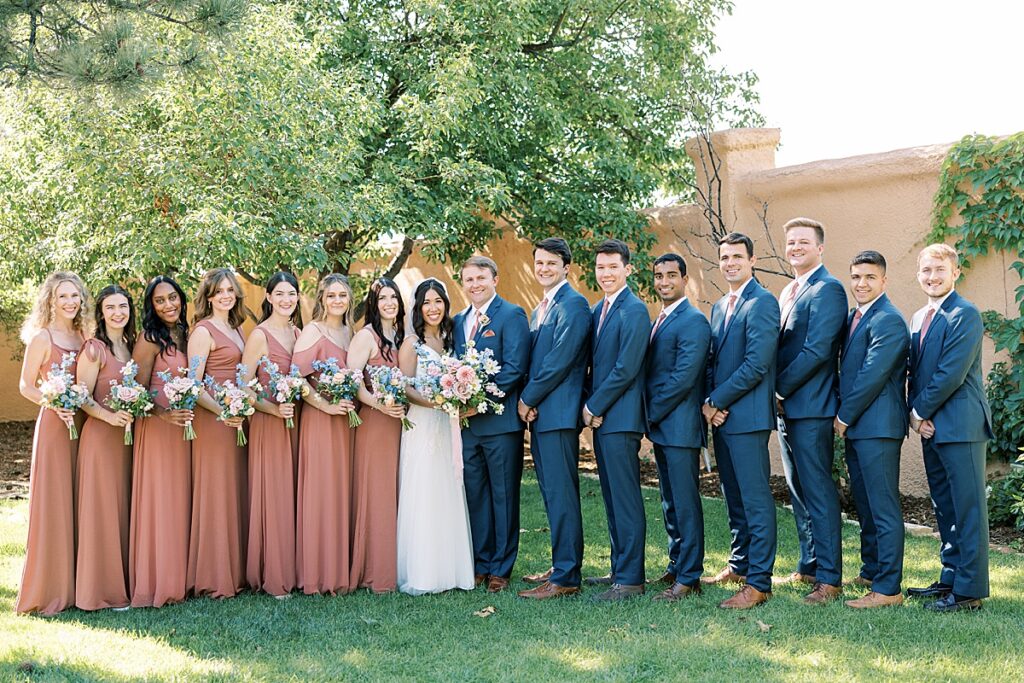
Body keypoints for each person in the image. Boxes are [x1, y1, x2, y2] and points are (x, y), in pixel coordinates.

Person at [906, 244, 993, 612]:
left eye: (939, 270)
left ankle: (970, 590)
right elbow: (918, 371)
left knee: (967, 507)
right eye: (926, 270)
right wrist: (921, 418)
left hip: (961, 425)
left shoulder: (965, 314)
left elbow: (950, 375)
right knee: (944, 506)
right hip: (933, 428)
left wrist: (916, 412)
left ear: (955, 272)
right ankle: (951, 578)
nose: (932, 276)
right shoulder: (918, 317)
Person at [702, 232, 780, 610]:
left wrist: (717, 400)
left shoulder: (762, 302)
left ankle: (760, 582)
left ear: (752, 260)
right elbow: (715, 361)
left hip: (747, 417)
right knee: (733, 497)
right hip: (722, 418)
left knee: (755, 499)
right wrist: (710, 404)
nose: (730, 262)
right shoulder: (720, 306)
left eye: (737, 256)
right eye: (724, 257)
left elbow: (757, 363)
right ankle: (740, 564)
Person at [773, 217, 847, 603]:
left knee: (818, 490)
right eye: (790, 242)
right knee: (797, 491)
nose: (795, 247)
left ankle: (830, 578)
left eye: (803, 241)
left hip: (812, 408)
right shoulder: (789, 290)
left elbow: (817, 351)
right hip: (788, 411)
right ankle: (809, 565)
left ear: (820, 248)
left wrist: (779, 388)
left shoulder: (829, 289)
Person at [834, 250, 910, 609]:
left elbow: (872, 375)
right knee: (865, 502)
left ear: (884, 281)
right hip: (861, 428)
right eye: (855, 277)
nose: (861, 284)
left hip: (877, 427)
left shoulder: (889, 319)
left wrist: (843, 416)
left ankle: (888, 588)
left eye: (869, 277)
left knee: (882, 506)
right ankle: (871, 569)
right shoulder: (856, 316)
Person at [517, 238, 591, 600]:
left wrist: (527, 399)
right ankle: (561, 564)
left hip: (559, 415)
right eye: (540, 263)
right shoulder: (540, 308)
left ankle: (566, 578)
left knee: (562, 495)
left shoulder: (574, 305)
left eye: (551, 263)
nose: (544, 269)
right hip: (542, 414)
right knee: (551, 494)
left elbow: (560, 360)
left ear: (566, 267)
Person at [453, 256, 530, 593]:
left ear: (495, 279)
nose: (475, 285)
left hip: (500, 424)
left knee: (503, 496)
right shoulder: (458, 321)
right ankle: (481, 563)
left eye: (481, 277)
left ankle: (501, 566)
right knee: (476, 496)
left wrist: (475, 400)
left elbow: (514, 368)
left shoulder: (511, 315)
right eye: (469, 279)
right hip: (467, 429)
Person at [15, 272, 90, 615]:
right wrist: (53, 401)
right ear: (50, 300)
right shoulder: (42, 338)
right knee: (57, 502)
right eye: (63, 297)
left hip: (87, 424)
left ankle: (84, 581)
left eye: (75, 296)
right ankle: (51, 587)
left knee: (84, 502)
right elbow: (26, 385)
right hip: (55, 427)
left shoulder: (84, 334)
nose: (70, 302)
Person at [396, 278, 476, 595]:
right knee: (425, 490)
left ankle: (453, 570)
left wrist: (459, 400)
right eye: (427, 302)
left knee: (448, 488)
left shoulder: (452, 340)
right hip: (423, 423)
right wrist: (437, 403)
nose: (433, 308)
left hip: (447, 424)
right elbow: (405, 387)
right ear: (419, 307)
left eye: (438, 301)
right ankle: (424, 572)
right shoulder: (411, 343)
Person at [583, 239, 650, 602]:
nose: (605, 273)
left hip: (620, 419)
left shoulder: (634, 310)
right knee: (611, 496)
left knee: (625, 498)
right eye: (600, 267)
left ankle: (631, 579)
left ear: (627, 269)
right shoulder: (599, 310)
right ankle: (618, 568)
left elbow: (626, 367)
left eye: (612, 267)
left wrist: (593, 406)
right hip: (604, 420)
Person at [644, 253, 710, 602]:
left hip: (680, 426)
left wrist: (649, 413)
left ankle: (690, 576)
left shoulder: (693, 321)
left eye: (671, 275)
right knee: (670, 502)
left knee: (685, 502)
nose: (664, 281)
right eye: (658, 275)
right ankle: (676, 564)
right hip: (663, 428)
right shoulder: (662, 318)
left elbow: (683, 377)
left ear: (684, 279)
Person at [130, 275, 193, 608]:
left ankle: (184, 576)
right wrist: (163, 414)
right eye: (160, 300)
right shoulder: (149, 339)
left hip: (186, 430)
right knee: (163, 502)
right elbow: (137, 391)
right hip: (158, 430)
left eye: (173, 298)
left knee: (183, 500)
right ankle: (160, 581)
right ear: (151, 306)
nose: (169, 305)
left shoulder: (186, 333)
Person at [293, 274, 358, 595]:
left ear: (349, 299)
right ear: (321, 299)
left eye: (342, 295)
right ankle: (317, 574)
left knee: (340, 491)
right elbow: (297, 377)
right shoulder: (312, 331)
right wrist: (324, 405)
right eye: (331, 295)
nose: (337, 301)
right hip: (320, 421)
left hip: (346, 422)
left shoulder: (352, 332)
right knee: (321, 493)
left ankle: (340, 568)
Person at [241, 271, 304, 597]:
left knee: (294, 495)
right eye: (279, 294)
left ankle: (296, 570)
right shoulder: (260, 336)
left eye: (291, 294)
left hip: (297, 423)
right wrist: (272, 409)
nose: (286, 300)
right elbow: (243, 387)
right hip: (270, 423)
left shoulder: (298, 332)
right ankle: (274, 574)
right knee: (275, 495)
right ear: (268, 297)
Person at [187, 268, 249, 599]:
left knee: (233, 492)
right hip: (214, 421)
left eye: (229, 290)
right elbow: (194, 385)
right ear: (208, 296)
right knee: (216, 493)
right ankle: (214, 576)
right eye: (218, 291)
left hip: (236, 419)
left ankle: (235, 570)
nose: (225, 295)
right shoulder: (202, 331)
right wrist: (224, 411)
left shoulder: (236, 329)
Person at [75, 285, 136, 610]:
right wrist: (109, 417)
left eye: (123, 306)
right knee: (102, 512)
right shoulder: (93, 348)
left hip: (126, 440)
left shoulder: (129, 346)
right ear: (101, 312)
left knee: (123, 508)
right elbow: (81, 395)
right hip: (101, 439)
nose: (118, 313)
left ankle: (124, 581)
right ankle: (100, 591)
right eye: (111, 307)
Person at [348, 278, 407, 593]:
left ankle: (397, 564)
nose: (389, 302)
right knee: (377, 492)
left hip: (399, 423)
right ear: (374, 303)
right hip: (375, 421)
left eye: (393, 297)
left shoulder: (400, 336)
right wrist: (379, 405)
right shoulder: (365, 337)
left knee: (397, 490)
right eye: (383, 297)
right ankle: (375, 571)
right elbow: (353, 382)